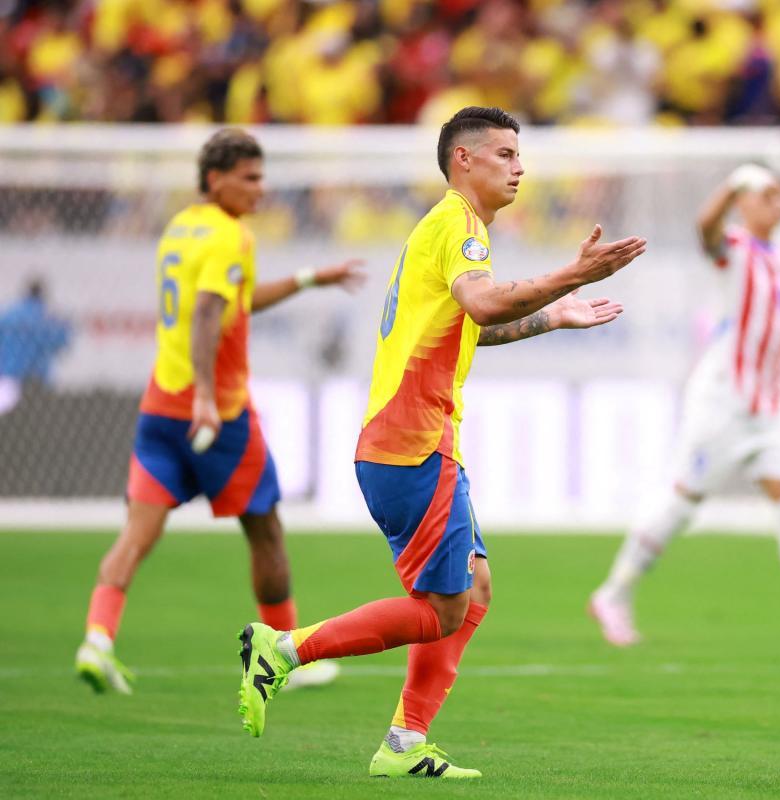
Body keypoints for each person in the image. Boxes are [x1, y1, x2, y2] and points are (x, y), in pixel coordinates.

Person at [235, 107, 646, 780]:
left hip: (412, 442)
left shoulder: (453, 229)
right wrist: (573, 276)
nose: (520, 166)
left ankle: (405, 741)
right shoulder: (459, 225)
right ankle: (283, 650)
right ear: (465, 159)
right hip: (412, 443)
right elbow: (484, 307)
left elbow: (473, 328)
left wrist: (554, 317)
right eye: (506, 153)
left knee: (473, 588)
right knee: (446, 608)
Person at [74, 129, 365, 694]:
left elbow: (238, 301)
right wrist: (207, 398)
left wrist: (310, 278)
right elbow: (208, 314)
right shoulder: (231, 237)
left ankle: (97, 638)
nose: (262, 189)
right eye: (250, 178)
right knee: (267, 532)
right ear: (216, 179)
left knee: (135, 535)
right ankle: (283, 653)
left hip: (160, 405)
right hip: (219, 413)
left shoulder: (182, 227)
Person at [589, 164, 780, 649]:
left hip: (769, 403)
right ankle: (614, 593)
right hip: (723, 400)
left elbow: (779, 327)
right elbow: (702, 231)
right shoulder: (734, 248)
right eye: (765, 193)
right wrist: (732, 184)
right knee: (684, 501)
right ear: (745, 202)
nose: (777, 202)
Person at [0, 278, 71, 415]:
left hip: (9, 373)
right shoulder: (47, 317)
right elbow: (62, 341)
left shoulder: (9, 315)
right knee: (38, 415)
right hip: (37, 375)